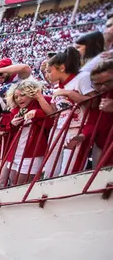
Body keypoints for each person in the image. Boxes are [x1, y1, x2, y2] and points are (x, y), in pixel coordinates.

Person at [43, 47, 95, 177]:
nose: (47, 75)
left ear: (61, 68)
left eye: (49, 71)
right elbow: (55, 112)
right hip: (59, 129)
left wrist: (70, 93)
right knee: (50, 171)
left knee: (69, 172)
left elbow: (94, 103)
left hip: (77, 129)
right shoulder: (57, 86)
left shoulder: (82, 78)